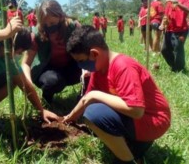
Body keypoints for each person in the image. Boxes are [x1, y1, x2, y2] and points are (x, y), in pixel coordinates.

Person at [63, 26, 171, 164]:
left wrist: (95, 95)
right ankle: (135, 145)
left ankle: (127, 161)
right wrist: (69, 118)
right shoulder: (99, 68)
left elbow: (137, 111)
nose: (80, 66)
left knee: (93, 114)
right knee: (92, 115)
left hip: (153, 121)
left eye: (81, 60)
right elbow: (87, 99)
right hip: (138, 120)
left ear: (94, 54)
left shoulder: (123, 66)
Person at [21, 0, 82, 104]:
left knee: (91, 70)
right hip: (47, 70)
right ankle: (48, 97)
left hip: (71, 67)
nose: (49, 26)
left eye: (52, 23)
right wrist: (28, 84)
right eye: (45, 24)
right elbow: (26, 63)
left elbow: (89, 52)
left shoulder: (73, 27)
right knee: (52, 81)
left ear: (61, 17)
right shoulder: (36, 34)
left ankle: (84, 95)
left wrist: (87, 71)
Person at [160, 0, 189, 72]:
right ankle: (174, 65)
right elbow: (166, 15)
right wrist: (162, 24)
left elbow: (188, 10)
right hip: (169, 29)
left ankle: (179, 69)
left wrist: (177, 3)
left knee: (178, 50)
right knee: (164, 50)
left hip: (181, 30)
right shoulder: (169, 1)